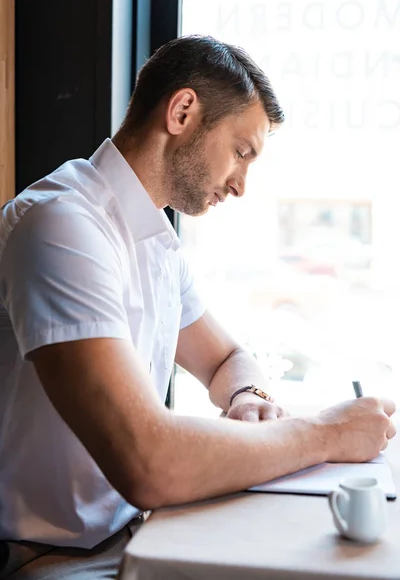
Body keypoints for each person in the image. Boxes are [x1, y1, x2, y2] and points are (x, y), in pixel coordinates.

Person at [0, 35, 396, 579]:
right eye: (241, 152)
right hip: (53, 562)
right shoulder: (61, 226)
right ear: (183, 111)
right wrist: (327, 434)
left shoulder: (154, 240)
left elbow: (226, 357)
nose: (241, 186)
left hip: (130, 535)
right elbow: (149, 462)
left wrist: (247, 395)